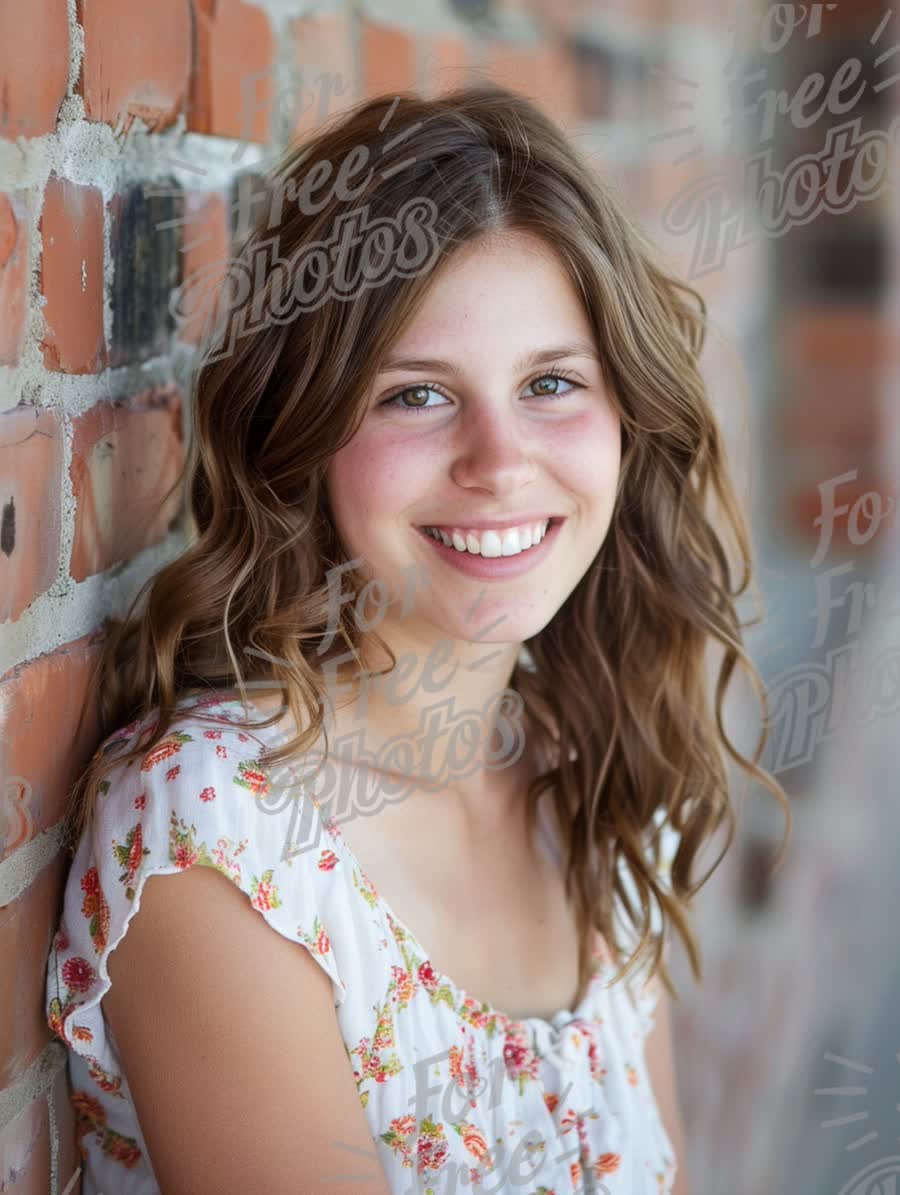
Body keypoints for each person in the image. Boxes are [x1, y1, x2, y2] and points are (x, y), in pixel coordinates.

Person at [44, 84, 789, 1195]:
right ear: (305, 430)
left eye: (550, 383)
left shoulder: (590, 772)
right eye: (416, 397)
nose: (500, 461)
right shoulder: (221, 836)